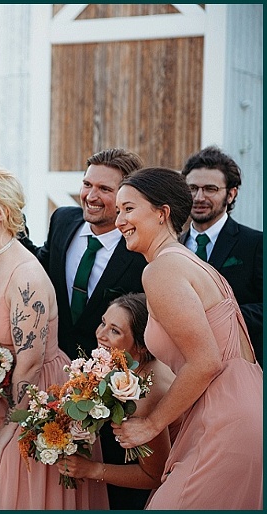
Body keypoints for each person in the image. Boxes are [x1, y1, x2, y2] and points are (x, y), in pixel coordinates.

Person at [0, 165, 108, 509]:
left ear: (0, 211)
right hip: (1, 401)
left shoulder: (26, 277)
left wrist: (12, 427)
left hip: (37, 403)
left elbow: (30, 360)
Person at [112, 167, 262, 509]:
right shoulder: (189, 263)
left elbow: (205, 361)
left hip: (225, 419)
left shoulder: (162, 269)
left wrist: (150, 424)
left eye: (129, 209)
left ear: (162, 212)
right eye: (118, 210)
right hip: (238, 408)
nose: (119, 220)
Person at [55, 293, 175, 509]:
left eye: (115, 330)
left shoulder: (141, 397)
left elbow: (155, 476)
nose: (101, 334)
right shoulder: (139, 365)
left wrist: (90, 469)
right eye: (103, 322)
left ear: (141, 345)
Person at [37, 148, 147, 359]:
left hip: (106, 376)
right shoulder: (62, 220)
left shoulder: (140, 252)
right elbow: (38, 267)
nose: (91, 196)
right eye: (87, 184)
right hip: (50, 362)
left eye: (104, 189)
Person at [180, 146, 263, 366]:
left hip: (238, 367)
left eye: (210, 189)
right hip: (180, 368)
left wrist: (219, 317)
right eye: (192, 188)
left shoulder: (256, 244)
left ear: (231, 193)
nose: (199, 197)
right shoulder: (173, 246)